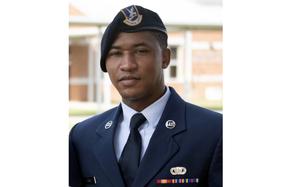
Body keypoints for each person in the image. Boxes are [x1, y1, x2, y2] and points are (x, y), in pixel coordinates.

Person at [69, 5, 222, 187]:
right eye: (116, 53)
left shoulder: (214, 132)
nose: (127, 65)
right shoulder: (82, 137)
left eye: (141, 51)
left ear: (165, 57)